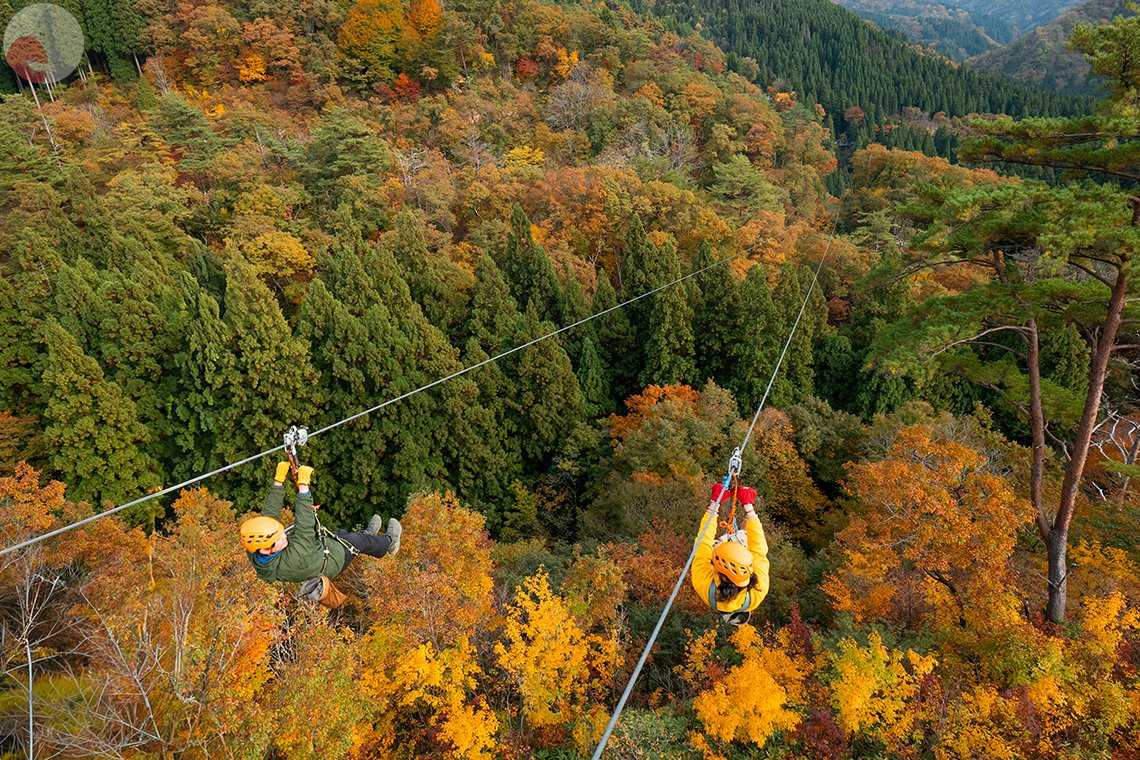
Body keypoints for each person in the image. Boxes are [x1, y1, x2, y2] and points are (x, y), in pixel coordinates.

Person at [240, 461, 402, 584]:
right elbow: (304, 526)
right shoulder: (291, 562)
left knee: (343, 534)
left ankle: (367, 537)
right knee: (357, 542)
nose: (284, 535)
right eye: (279, 538)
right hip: (332, 561)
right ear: (267, 551)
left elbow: (268, 518)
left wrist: (278, 483)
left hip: (317, 553)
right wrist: (303, 486)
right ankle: (389, 543)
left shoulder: (256, 549)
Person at [691, 483, 770, 625]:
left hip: (722, 551)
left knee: (746, 530)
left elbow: (758, 550)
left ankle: (742, 528)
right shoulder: (757, 590)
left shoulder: (758, 593)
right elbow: (759, 550)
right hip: (722, 554)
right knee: (746, 529)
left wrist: (748, 508)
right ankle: (743, 529)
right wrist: (715, 506)